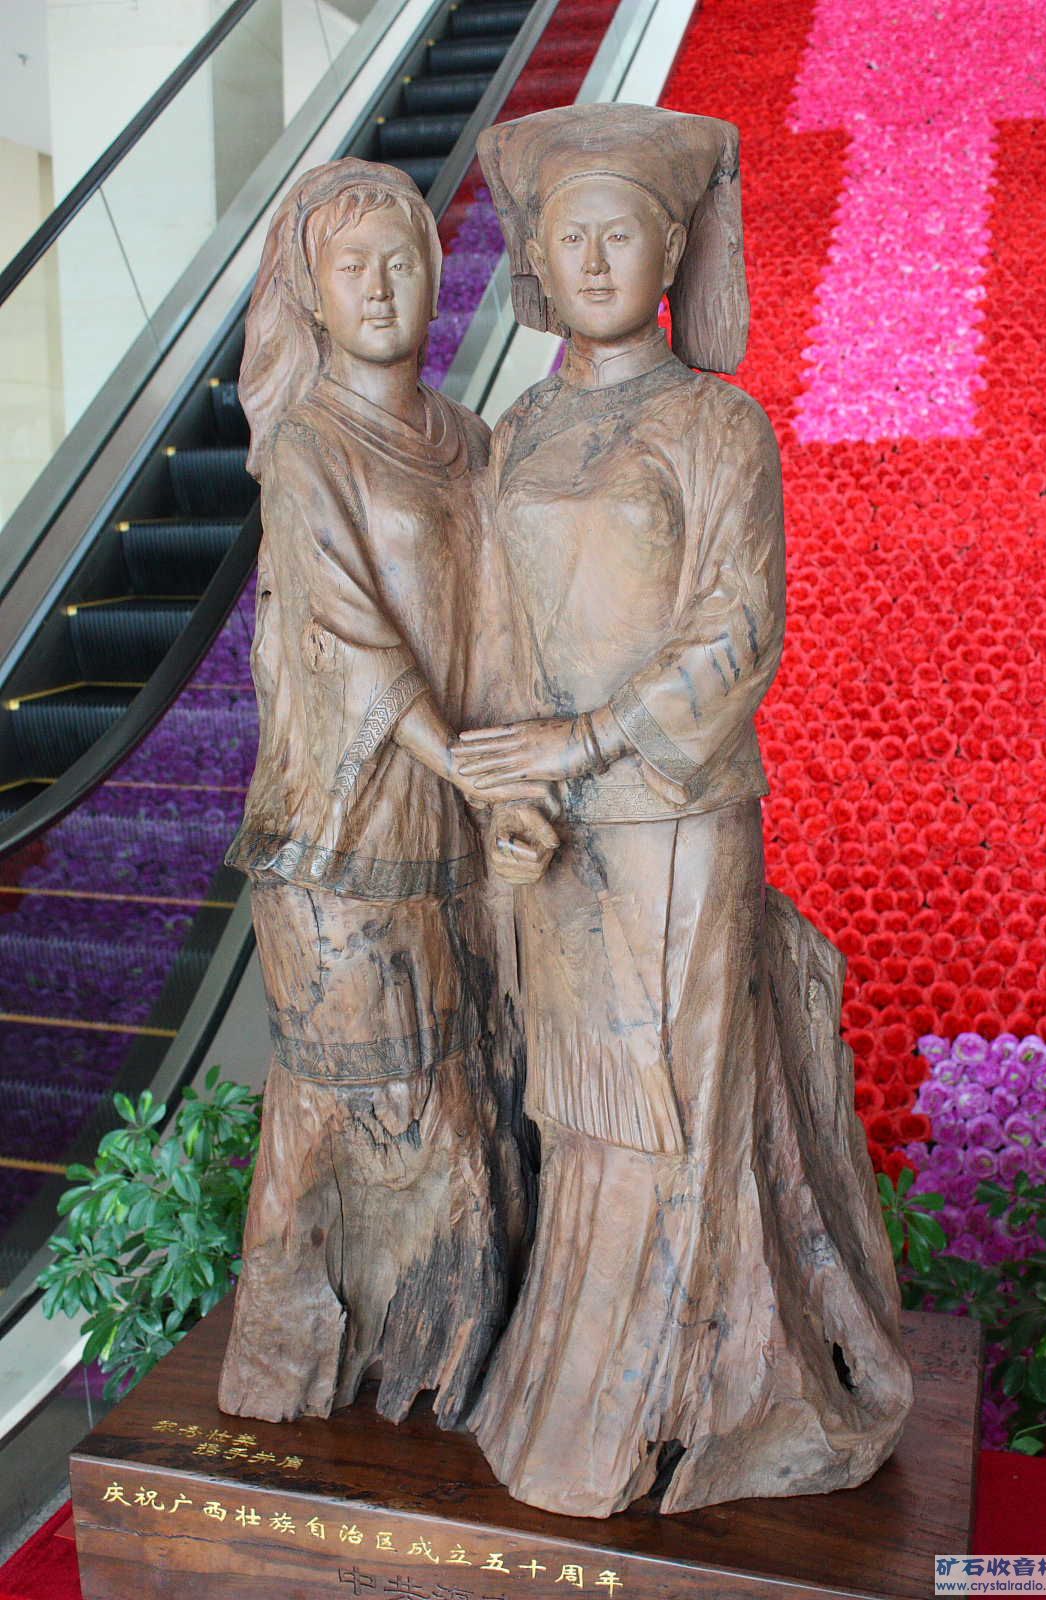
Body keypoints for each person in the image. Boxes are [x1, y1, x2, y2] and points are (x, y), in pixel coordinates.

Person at [454, 105, 915, 1515]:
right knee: (576, 1110)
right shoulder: (517, 429)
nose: (594, 258)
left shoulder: (719, 425)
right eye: (569, 236)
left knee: (668, 1112)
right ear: (537, 260)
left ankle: (677, 1401)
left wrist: (583, 743)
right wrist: (504, 794)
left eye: (621, 233)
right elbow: (488, 633)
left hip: (672, 817)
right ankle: (562, 1393)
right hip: (550, 831)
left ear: (668, 251)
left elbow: (734, 633)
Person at [217, 159, 547, 1428]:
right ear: (309, 292)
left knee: (470, 1084)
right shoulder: (310, 445)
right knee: (352, 1094)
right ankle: (298, 1353)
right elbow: (343, 631)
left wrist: (511, 768)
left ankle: (456, 1350)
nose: (377, 287)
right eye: (349, 267)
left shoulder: (469, 439)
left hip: (460, 817)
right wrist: (453, 754)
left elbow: (504, 616)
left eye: (401, 261)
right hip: (345, 825)